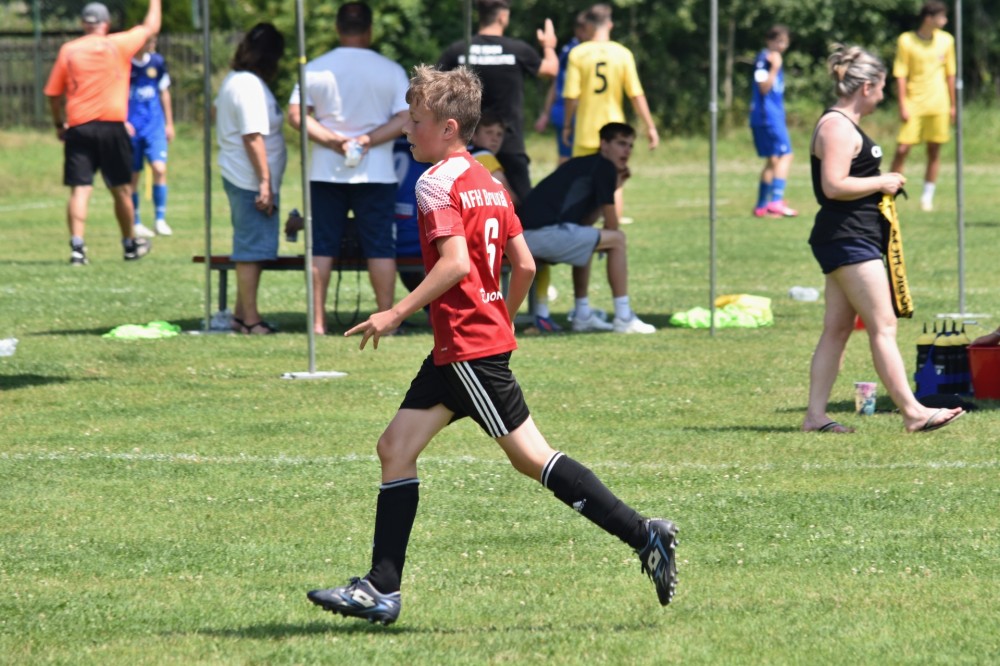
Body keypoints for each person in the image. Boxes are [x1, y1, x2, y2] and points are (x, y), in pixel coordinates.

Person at [305, 65, 678, 626]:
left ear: (448, 127)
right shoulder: (490, 180)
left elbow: (456, 263)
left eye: (416, 119)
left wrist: (396, 312)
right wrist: (501, 315)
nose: (406, 129)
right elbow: (522, 264)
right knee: (395, 448)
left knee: (532, 458)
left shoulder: (435, 183)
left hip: (467, 349)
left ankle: (644, 533)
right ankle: (381, 587)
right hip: (464, 346)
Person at [803, 44, 963, 434]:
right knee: (883, 325)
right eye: (882, 87)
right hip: (848, 238)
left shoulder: (842, 123)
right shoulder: (838, 127)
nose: (884, 94)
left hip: (849, 236)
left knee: (837, 329)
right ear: (867, 86)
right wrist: (883, 181)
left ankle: (815, 416)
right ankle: (913, 412)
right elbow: (834, 185)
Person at [288, 2, 409, 335]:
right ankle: (386, 320)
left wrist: (333, 141)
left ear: (338, 29)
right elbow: (404, 117)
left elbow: (296, 115)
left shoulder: (315, 68)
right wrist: (368, 139)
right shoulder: (391, 70)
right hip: (377, 172)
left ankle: (317, 322)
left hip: (325, 170)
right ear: (369, 30)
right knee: (380, 246)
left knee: (321, 245)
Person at [44, 0, 160, 265]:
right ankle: (129, 245)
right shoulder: (118, 44)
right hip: (112, 126)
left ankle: (78, 248)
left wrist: (58, 124)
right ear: (106, 24)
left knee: (80, 189)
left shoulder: (69, 50)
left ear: (83, 23)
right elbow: (151, 27)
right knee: (121, 189)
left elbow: (53, 94)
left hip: (79, 127)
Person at [520, 122, 655, 335]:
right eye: (621, 144)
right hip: (536, 235)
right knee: (617, 240)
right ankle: (624, 317)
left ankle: (582, 315)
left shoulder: (588, 164)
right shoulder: (605, 167)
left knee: (590, 240)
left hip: (526, 236)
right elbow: (612, 225)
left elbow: (584, 224)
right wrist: (615, 187)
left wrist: (616, 185)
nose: (627, 151)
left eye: (630, 145)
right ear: (604, 144)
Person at [437, 0, 558, 206]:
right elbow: (550, 70)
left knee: (467, 202)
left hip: (469, 141)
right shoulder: (517, 49)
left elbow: (435, 86)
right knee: (523, 207)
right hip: (508, 141)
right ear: (503, 17)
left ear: (480, 15)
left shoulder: (459, 50)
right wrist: (549, 46)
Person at [214, 23, 287, 335]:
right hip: (249, 180)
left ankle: (240, 315)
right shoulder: (249, 86)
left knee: (253, 247)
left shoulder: (236, 80)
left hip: (243, 176)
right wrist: (265, 183)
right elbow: (252, 136)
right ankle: (251, 320)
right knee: (251, 252)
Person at [561, 4, 658, 224]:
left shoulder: (578, 53)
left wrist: (567, 125)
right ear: (610, 24)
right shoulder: (622, 53)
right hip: (615, 133)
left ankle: (580, 230)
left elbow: (571, 95)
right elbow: (636, 94)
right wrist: (650, 126)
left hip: (586, 130)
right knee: (615, 183)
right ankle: (612, 234)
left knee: (581, 182)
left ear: (588, 25)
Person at [889, 0, 957, 212]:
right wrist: (902, 104)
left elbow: (950, 74)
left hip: (939, 103)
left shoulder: (946, 40)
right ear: (929, 18)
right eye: (941, 16)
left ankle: (927, 197)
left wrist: (953, 105)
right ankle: (889, 194)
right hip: (914, 102)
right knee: (902, 149)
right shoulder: (906, 40)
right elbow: (901, 74)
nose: (945, 20)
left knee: (934, 150)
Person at [128, 34, 175, 238]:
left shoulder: (157, 62)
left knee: (159, 168)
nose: (153, 44)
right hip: (132, 128)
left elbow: (164, 92)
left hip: (154, 126)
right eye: (150, 41)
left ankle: (160, 220)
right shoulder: (126, 64)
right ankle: (136, 221)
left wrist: (169, 123)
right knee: (133, 176)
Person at [750, 25, 798, 218]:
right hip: (768, 117)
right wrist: (775, 67)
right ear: (768, 41)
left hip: (771, 116)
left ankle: (761, 206)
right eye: (778, 42)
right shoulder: (764, 61)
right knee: (787, 154)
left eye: (785, 42)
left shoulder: (771, 59)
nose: (782, 46)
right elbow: (763, 88)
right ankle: (776, 202)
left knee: (773, 160)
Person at [534, 10, 593, 166]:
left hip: (563, 109)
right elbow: (560, 84)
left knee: (568, 157)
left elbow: (556, 82)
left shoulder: (568, 49)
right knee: (570, 158)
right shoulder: (580, 52)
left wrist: (546, 113)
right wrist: (546, 113)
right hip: (572, 110)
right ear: (580, 30)